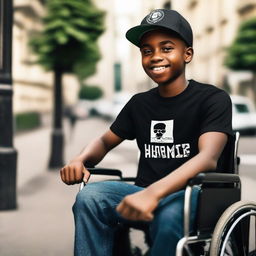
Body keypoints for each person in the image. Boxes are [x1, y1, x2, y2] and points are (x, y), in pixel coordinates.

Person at [60, 9, 233, 256]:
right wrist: (80, 160)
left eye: (166, 48)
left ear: (187, 54)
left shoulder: (212, 99)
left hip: (195, 196)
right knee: (90, 197)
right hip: (143, 190)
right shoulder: (139, 104)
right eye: (147, 51)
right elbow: (104, 141)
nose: (155, 57)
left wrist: (153, 194)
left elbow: (208, 158)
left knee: (170, 212)